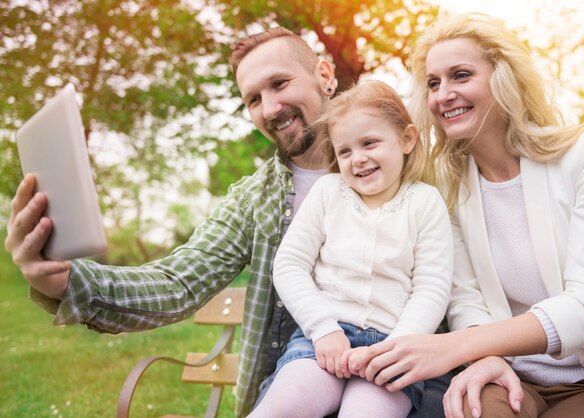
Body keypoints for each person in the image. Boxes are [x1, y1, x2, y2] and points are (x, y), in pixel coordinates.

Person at [4, 27, 452, 417]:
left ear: (325, 75)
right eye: (253, 99)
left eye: (280, 83)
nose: (271, 107)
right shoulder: (254, 201)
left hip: (403, 389)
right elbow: (177, 284)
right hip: (298, 385)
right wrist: (68, 282)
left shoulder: (427, 176)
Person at [348, 12, 584, 418]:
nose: (444, 94)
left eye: (461, 75)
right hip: (508, 373)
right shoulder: (447, 187)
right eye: (433, 83)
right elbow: (465, 297)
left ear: (504, 79)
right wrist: (485, 357)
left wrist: (457, 348)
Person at [248, 80, 452, 418]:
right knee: (281, 408)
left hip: (393, 347)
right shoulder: (329, 192)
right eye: (345, 151)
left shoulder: (425, 202)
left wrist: (395, 348)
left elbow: (432, 288)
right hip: (323, 341)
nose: (358, 159)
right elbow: (289, 265)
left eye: (369, 143)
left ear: (406, 139)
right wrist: (323, 329)